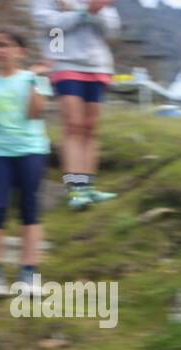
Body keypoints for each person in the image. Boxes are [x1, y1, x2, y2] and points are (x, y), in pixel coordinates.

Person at [0, 30, 51, 299]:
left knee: (29, 206)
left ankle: (30, 272)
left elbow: (35, 112)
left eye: (5, 45)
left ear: (20, 51)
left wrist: (33, 80)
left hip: (31, 149)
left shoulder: (32, 78)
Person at [32, 0, 119, 210]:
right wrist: (84, 12)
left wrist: (85, 10)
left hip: (98, 65)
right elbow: (50, 24)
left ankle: (88, 187)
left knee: (91, 127)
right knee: (73, 125)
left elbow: (112, 29)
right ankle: (75, 188)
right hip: (65, 63)